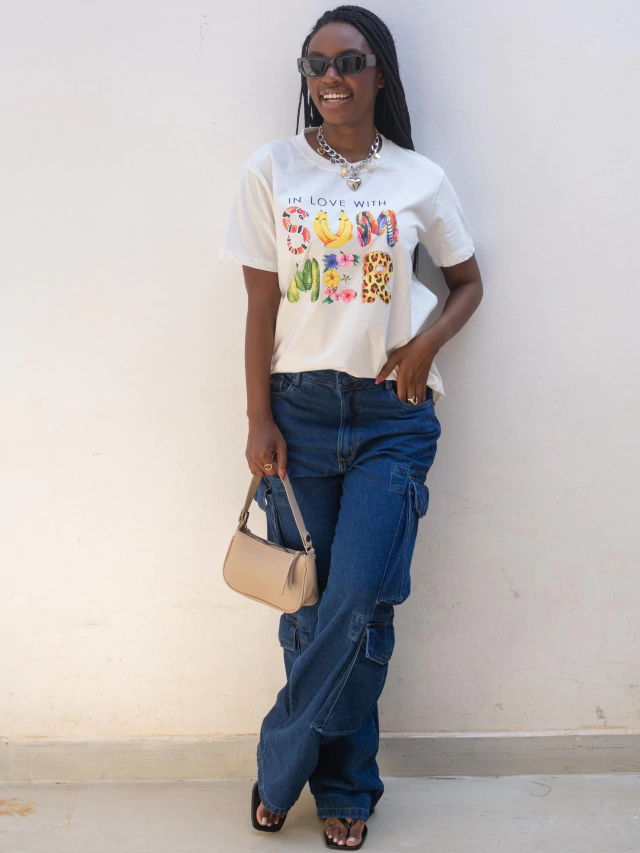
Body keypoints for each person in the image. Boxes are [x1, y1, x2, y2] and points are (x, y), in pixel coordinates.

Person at [217, 6, 483, 848]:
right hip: (296, 413)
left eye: (349, 61)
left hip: (390, 417)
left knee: (360, 601)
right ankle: (345, 788)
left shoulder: (419, 178)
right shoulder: (272, 169)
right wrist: (258, 416)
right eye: (317, 64)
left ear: (380, 74)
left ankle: (284, 766)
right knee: (309, 609)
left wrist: (425, 343)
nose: (331, 77)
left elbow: (470, 282)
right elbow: (261, 305)